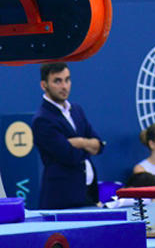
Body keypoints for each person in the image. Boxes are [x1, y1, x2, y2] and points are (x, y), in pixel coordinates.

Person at [32, 62, 104, 209]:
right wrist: (87, 144)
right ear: (44, 85)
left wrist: (80, 142)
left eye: (67, 80)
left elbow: (99, 146)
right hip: (62, 199)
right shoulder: (42, 119)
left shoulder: (76, 110)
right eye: (57, 81)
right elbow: (70, 156)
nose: (64, 86)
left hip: (88, 194)